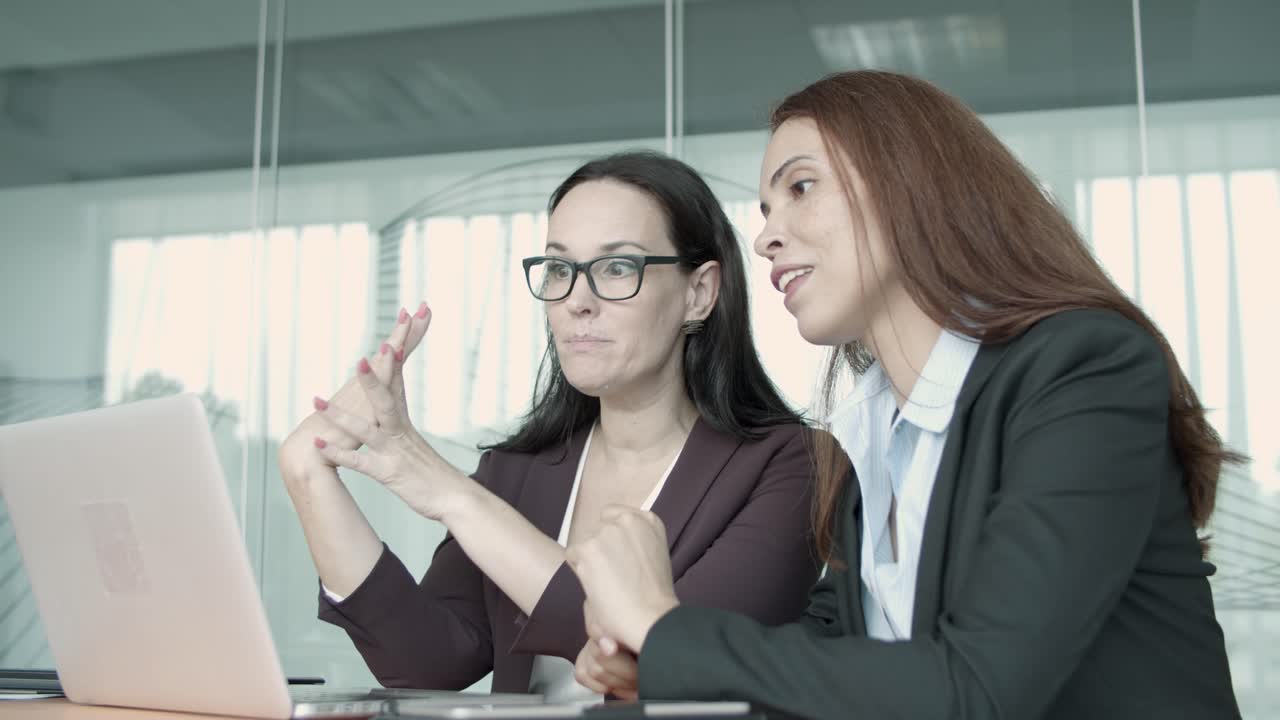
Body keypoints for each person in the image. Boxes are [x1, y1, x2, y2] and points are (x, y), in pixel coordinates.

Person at [567, 72, 1244, 718]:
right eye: (767, 209)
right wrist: (650, 662)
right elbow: (842, 656)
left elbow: (977, 688)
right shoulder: (877, 428)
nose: (766, 235)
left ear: (908, 186)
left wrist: (664, 629)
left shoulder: (1081, 369)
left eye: (801, 187)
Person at [275, 151, 824, 700]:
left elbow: (675, 666)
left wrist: (454, 497)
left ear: (699, 293)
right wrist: (309, 477)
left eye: (617, 267)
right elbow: (428, 662)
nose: (576, 302)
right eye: (560, 269)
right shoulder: (515, 472)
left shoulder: (792, 465)